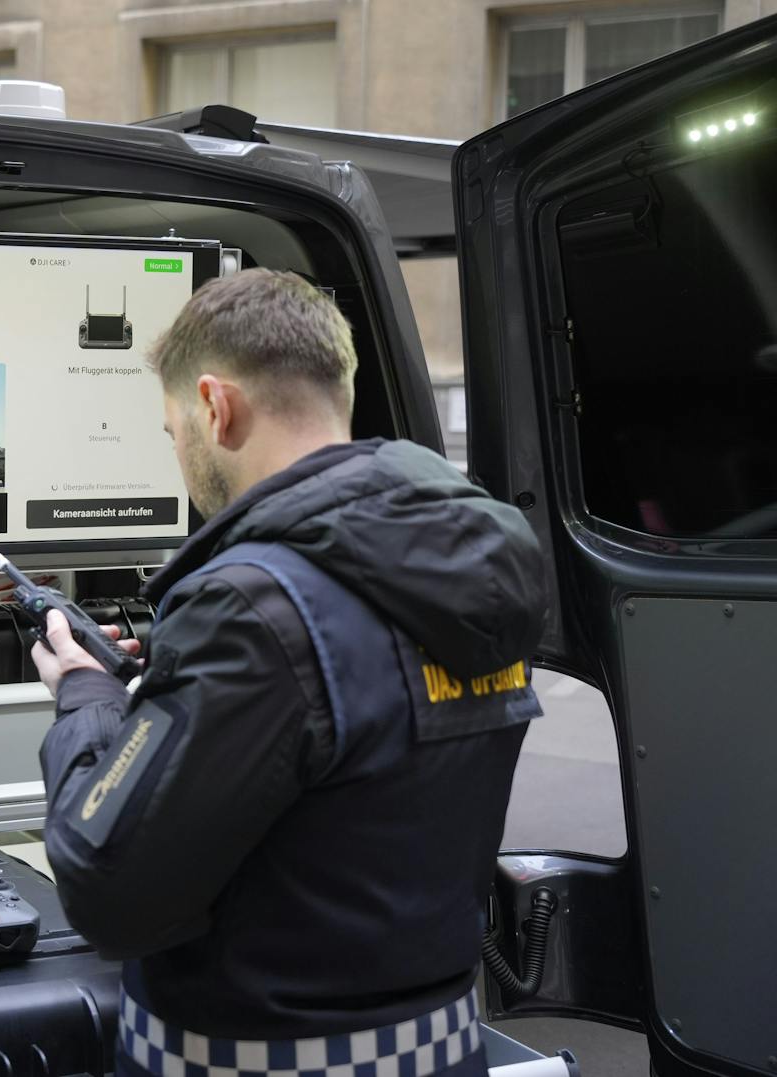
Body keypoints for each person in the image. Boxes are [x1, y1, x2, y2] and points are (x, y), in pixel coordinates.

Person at [31, 269, 547, 1077]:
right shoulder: (471, 566)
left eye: (173, 430)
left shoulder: (252, 611)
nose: (179, 453)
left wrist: (88, 703)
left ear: (215, 405)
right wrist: (178, 695)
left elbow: (110, 894)